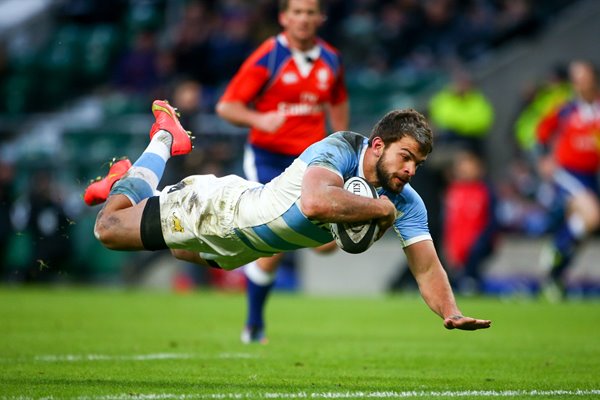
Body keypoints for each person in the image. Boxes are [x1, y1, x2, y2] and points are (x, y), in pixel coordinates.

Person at [84, 99, 491, 334]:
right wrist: (379, 208)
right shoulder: (341, 148)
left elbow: (426, 268)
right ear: (378, 145)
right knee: (108, 228)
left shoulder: (406, 200)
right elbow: (315, 202)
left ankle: (131, 185)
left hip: (235, 252)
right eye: (406, 158)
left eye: (418, 164)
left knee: (178, 253)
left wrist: (450, 312)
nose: (410, 171)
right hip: (222, 212)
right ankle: (164, 138)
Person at [215, 0, 349, 343]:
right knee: (271, 249)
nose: (303, 19)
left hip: (309, 162)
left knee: (328, 245)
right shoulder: (269, 56)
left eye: (310, 12)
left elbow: (338, 99)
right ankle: (254, 325)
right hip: (267, 160)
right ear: (283, 17)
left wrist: (344, 147)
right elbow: (226, 106)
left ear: (320, 17)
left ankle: (269, 249)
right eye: (297, 12)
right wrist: (260, 119)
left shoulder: (331, 59)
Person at [536, 60, 600, 300]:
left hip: (591, 176)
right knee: (592, 216)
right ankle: (557, 247)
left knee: (584, 229)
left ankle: (555, 276)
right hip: (568, 173)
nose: (578, 82)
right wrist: (543, 158)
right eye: (575, 77)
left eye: (582, 77)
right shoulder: (566, 109)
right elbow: (542, 131)